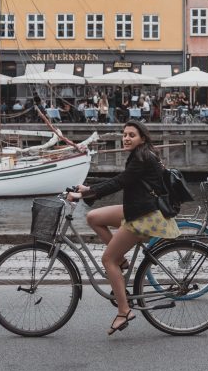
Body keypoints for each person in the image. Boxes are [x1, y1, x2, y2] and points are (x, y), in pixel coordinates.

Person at [68, 121, 179, 335]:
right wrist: (89, 189)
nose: (126, 138)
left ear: (142, 138)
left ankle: (124, 310)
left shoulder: (142, 158)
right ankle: (122, 260)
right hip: (137, 207)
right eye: (124, 134)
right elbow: (121, 181)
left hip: (144, 216)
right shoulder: (142, 154)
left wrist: (85, 193)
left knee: (107, 259)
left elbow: (119, 182)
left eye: (132, 135)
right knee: (93, 217)